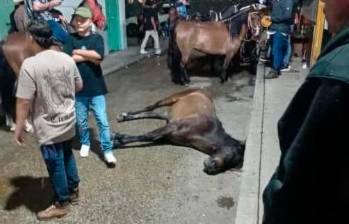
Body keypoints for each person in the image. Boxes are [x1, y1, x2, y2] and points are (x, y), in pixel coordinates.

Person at [262, 0, 349, 223]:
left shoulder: (333, 74)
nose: (322, 8)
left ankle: (276, 67)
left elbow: (295, 179)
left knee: (280, 48)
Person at [14, 20, 82, 221]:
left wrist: (19, 127)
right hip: (68, 119)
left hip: (48, 124)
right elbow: (79, 85)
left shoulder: (30, 64)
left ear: (31, 38)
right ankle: (73, 190)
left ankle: (61, 203)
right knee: (67, 154)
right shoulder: (66, 58)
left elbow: (23, 101)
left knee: (55, 162)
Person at [64, 7, 117, 166]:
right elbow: (69, 59)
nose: (79, 23)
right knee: (81, 121)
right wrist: (90, 56)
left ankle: (107, 151)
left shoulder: (97, 39)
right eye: (77, 20)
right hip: (79, 89)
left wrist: (79, 52)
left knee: (102, 120)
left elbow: (99, 58)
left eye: (83, 20)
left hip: (96, 89)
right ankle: (85, 143)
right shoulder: (70, 38)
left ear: (90, 22)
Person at [265, 0, 295, 79]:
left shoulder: (288, 1)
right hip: (273, 28)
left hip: (282, 28)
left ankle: (274, 70)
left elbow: (287, 15)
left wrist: (272, 18)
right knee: (274, 50)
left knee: (277, 49)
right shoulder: (275, 1)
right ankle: (276, 68)